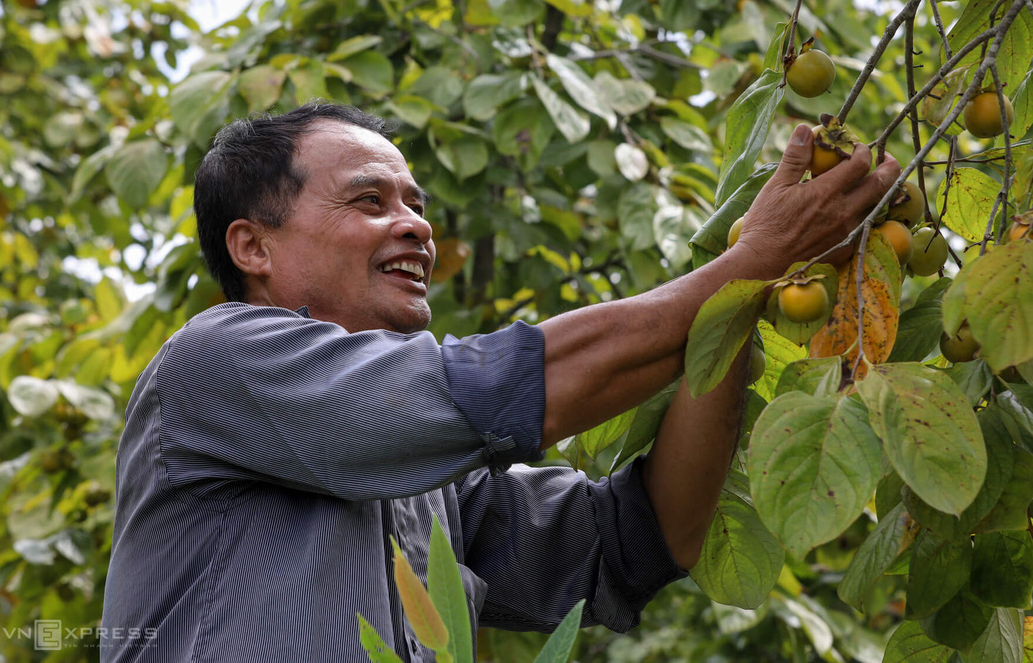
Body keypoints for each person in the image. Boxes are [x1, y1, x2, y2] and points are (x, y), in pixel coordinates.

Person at [100, 102, 900, 662]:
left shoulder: (426, 482)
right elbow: (507, 384)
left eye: (416, 204)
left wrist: (743, 301)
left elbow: (646, 538)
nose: (415, 224)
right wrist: (752, 261)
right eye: (369, 201)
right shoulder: (219, 360)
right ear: (253, 248)